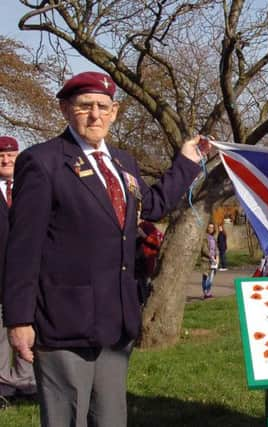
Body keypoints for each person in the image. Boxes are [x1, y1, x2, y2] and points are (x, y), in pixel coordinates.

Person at [2, 71, 204, 426]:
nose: (95, 115)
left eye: (102, 106)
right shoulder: (42, 161)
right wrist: (19, 319)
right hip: (64, 321)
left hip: (116, 321)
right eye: (84, 107)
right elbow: (23, 247)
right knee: (68, 419)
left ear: (114, 111)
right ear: (66, 110)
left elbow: (152, 206)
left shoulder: (122, 162)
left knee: (111, 419)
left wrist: (187, 162)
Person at [0, 136, 36, 398]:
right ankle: (3, 385)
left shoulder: (30, 187)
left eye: (11, 155)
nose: (5, 160)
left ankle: (27, 382)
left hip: (28, 276)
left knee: (28, 328)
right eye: (1, 156)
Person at [134, 220, 164, 306]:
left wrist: (144, 236)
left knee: (144, 286)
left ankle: (145, 304)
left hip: (145, 262)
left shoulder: (148, 226)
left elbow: (157, 243)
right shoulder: (137, 225)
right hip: (137, 263)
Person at [200, 223, 219, 299]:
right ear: (207, 228)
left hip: (213, 261)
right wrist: (211, 257)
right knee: (205, 277)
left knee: (211, 278)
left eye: (212, 227)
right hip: (206, 260)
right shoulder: (204, 237)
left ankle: (208, 292)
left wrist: (217, 257)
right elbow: (204, 249)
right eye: (209, 227)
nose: (211, 229)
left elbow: (216, 248)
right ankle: (205, 292)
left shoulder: (213, 238)